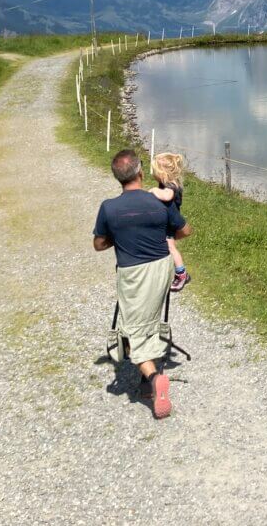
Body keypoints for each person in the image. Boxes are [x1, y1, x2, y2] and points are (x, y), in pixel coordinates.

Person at [93, 149, 192, 419]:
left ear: (118, 178)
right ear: (139, 173)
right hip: (162, 269)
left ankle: (153, 378)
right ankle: (147, 379)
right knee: (149, 319)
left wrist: (121, 235)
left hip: (133, 273)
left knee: (130, 329)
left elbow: (99, 244)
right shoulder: (158, 203)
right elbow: (184, 230)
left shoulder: (109, 208)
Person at [149, 152, 192, 292]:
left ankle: (182, 274)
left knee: (170, 247)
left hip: (171, 222)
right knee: (166, 246)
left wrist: (153, 190)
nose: (154, 174)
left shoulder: (171, 186)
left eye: (155, 171)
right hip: (166, 220)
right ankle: (170, 270)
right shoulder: (167, 182)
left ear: (163, 172)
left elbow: (167, 196)